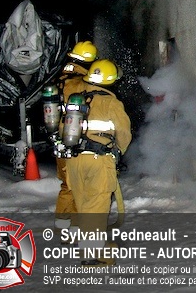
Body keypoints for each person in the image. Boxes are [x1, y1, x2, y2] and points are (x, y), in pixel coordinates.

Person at [65, 58, 132, 265]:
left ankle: (89, 248)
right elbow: (124, 134)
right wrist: (117, 152)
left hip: (74, 161)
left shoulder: (76, 100)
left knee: (84, 205)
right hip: (99, 161)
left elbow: (62, 128)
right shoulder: (111, 103)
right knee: (96, 207)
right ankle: (92, 256)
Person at [51, 41, 99, 233]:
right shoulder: (83, 84)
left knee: (67, 185)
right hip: (76, 143)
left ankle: (63, 226)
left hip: (60, 142)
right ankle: (75, 227)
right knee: (80, 186)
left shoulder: (59, 79)